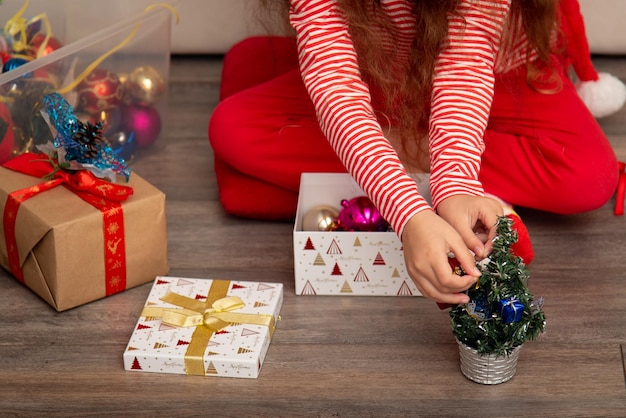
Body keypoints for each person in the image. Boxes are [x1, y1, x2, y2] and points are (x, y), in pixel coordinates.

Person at [208, 0, 619, 304]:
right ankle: (413, 151)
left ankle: (405, 150)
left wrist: (455, 184)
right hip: (380, 72)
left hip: (497, 71)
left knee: (588, 177)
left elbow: (465, 65)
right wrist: (411, 214)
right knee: (231, 130)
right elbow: (336, 85)